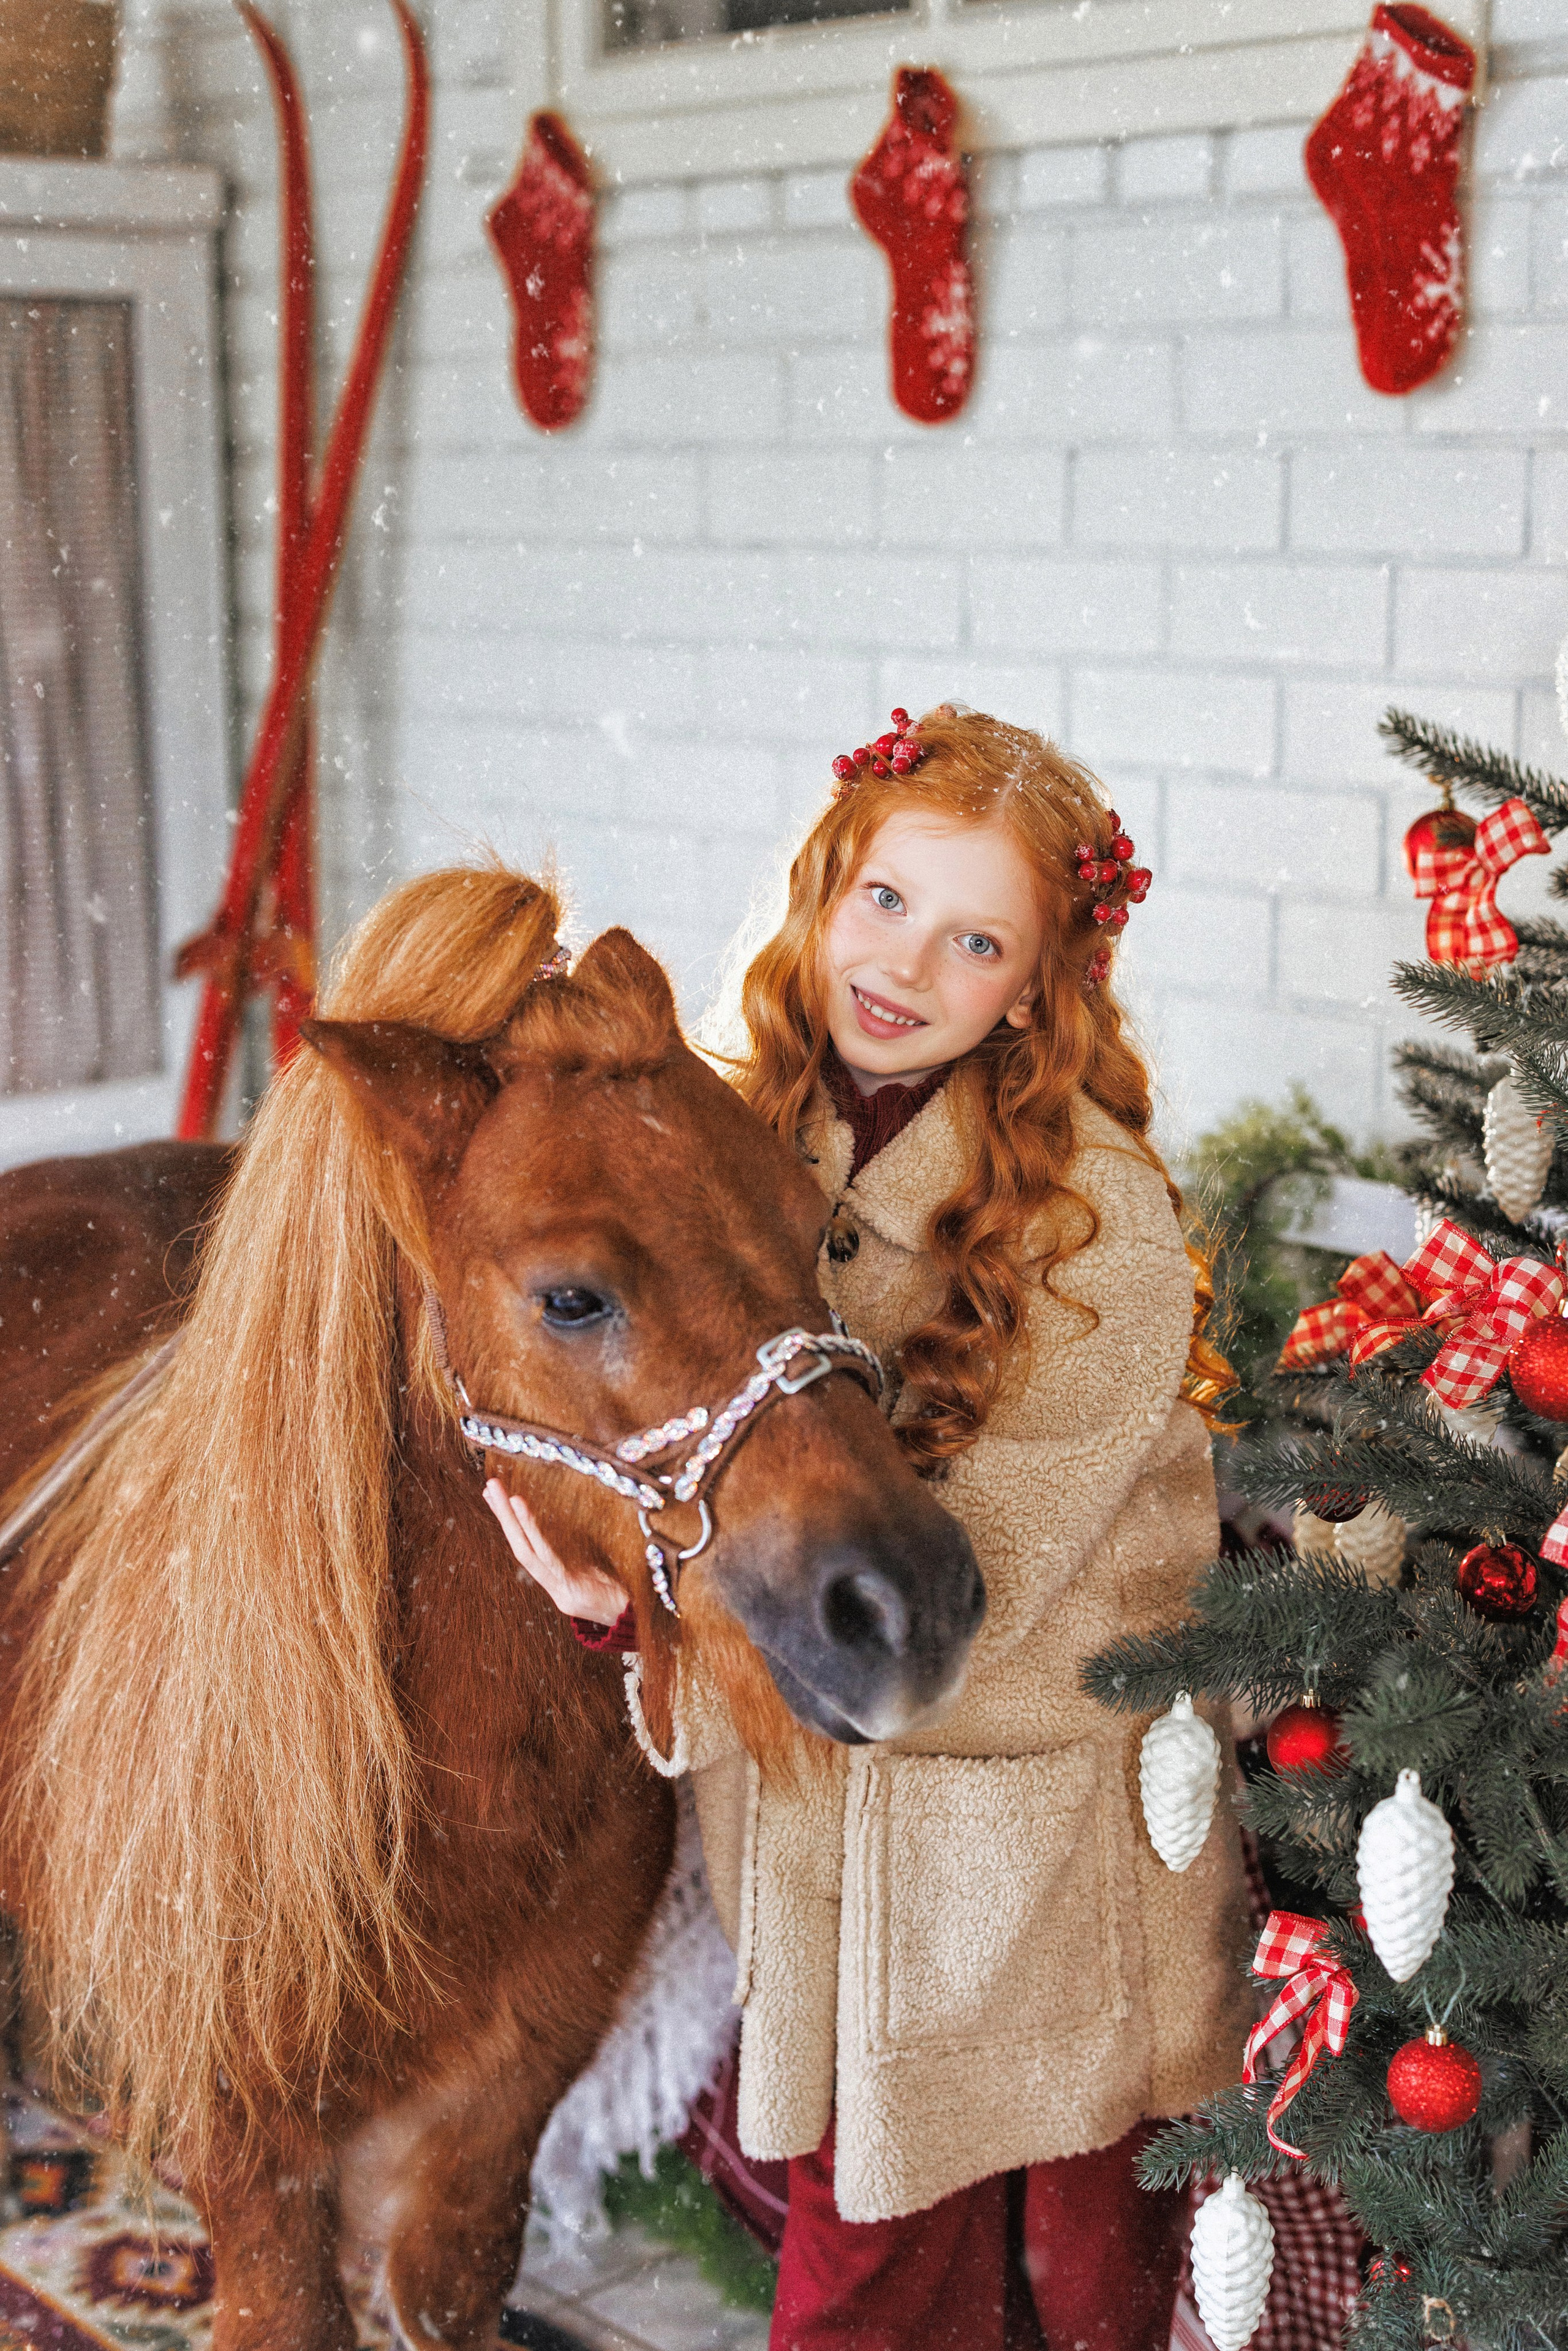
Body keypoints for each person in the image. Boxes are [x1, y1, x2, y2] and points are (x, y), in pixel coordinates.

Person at [484, 705, 1252, 2351]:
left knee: (1069, 2285)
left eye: (977, 939)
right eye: (885, 902)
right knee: (885, 2279)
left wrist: (657, 1617)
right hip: (837, 1851)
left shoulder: (1094, 1217)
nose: (905, 964)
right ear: (824, 887)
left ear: (1036, 990)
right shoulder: (742, 1134)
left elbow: (937, 1615)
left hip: (1037, 1861)